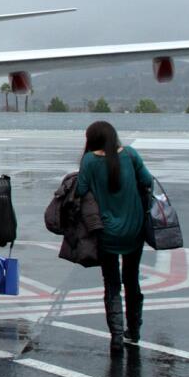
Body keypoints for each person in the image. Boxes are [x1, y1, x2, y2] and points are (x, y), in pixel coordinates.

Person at [76, 120, 153, 352]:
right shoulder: (130, 154)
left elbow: (80, 190)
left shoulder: (89, 161)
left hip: (107, 232)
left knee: (111, 283)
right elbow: (147, 181)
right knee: (132, 278)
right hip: (134, 228)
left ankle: (116, 336)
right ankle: (135, 330)